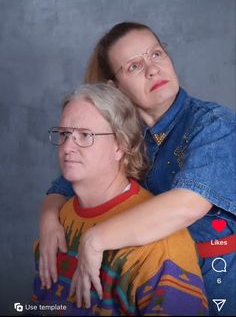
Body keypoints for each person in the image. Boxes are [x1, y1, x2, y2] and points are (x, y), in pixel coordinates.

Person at [39, 22, 236, 316]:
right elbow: (70, 178)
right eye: (133, 66)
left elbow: (188, 204)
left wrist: (95, 238)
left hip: (215, 285)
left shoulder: (214, 124)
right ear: (114, 87)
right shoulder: (120, 132)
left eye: (156, 54)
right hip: (138, 281)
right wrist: (48, 217)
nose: (152, 69)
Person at [32, 83, 208, 316]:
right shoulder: (57, 220)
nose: (67, 147)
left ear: (121, 146)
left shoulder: (162, 244)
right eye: (64, 134)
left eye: (85, 135)